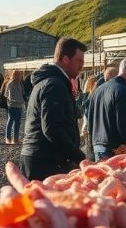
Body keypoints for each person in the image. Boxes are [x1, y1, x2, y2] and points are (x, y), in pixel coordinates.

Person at [20, 37, 87, 181]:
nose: (82, 65)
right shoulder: (54, 85)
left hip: (42, 158)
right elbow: (51, 128)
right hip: (43, 161)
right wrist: (80, 158)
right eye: (79, 61)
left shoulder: (54, 82)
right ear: (65, 59)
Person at [88, 57, 126, 161]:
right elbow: (124, 124)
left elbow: (90, 118)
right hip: (114, 150)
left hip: (97, 146)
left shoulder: (99, 89)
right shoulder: (123, 91)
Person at [1, 69, 25, 144]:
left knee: (17, 122)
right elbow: (9, 96)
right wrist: (19, 101)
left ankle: (15, 139)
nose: (19, 76)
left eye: (19, 75)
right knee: (10, 121)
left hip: (19, 106)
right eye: (17, 75)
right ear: (14, 75)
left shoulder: (19, 84)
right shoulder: (10, 84)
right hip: (12, 105)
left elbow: (21, 93)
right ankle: (8, 138)